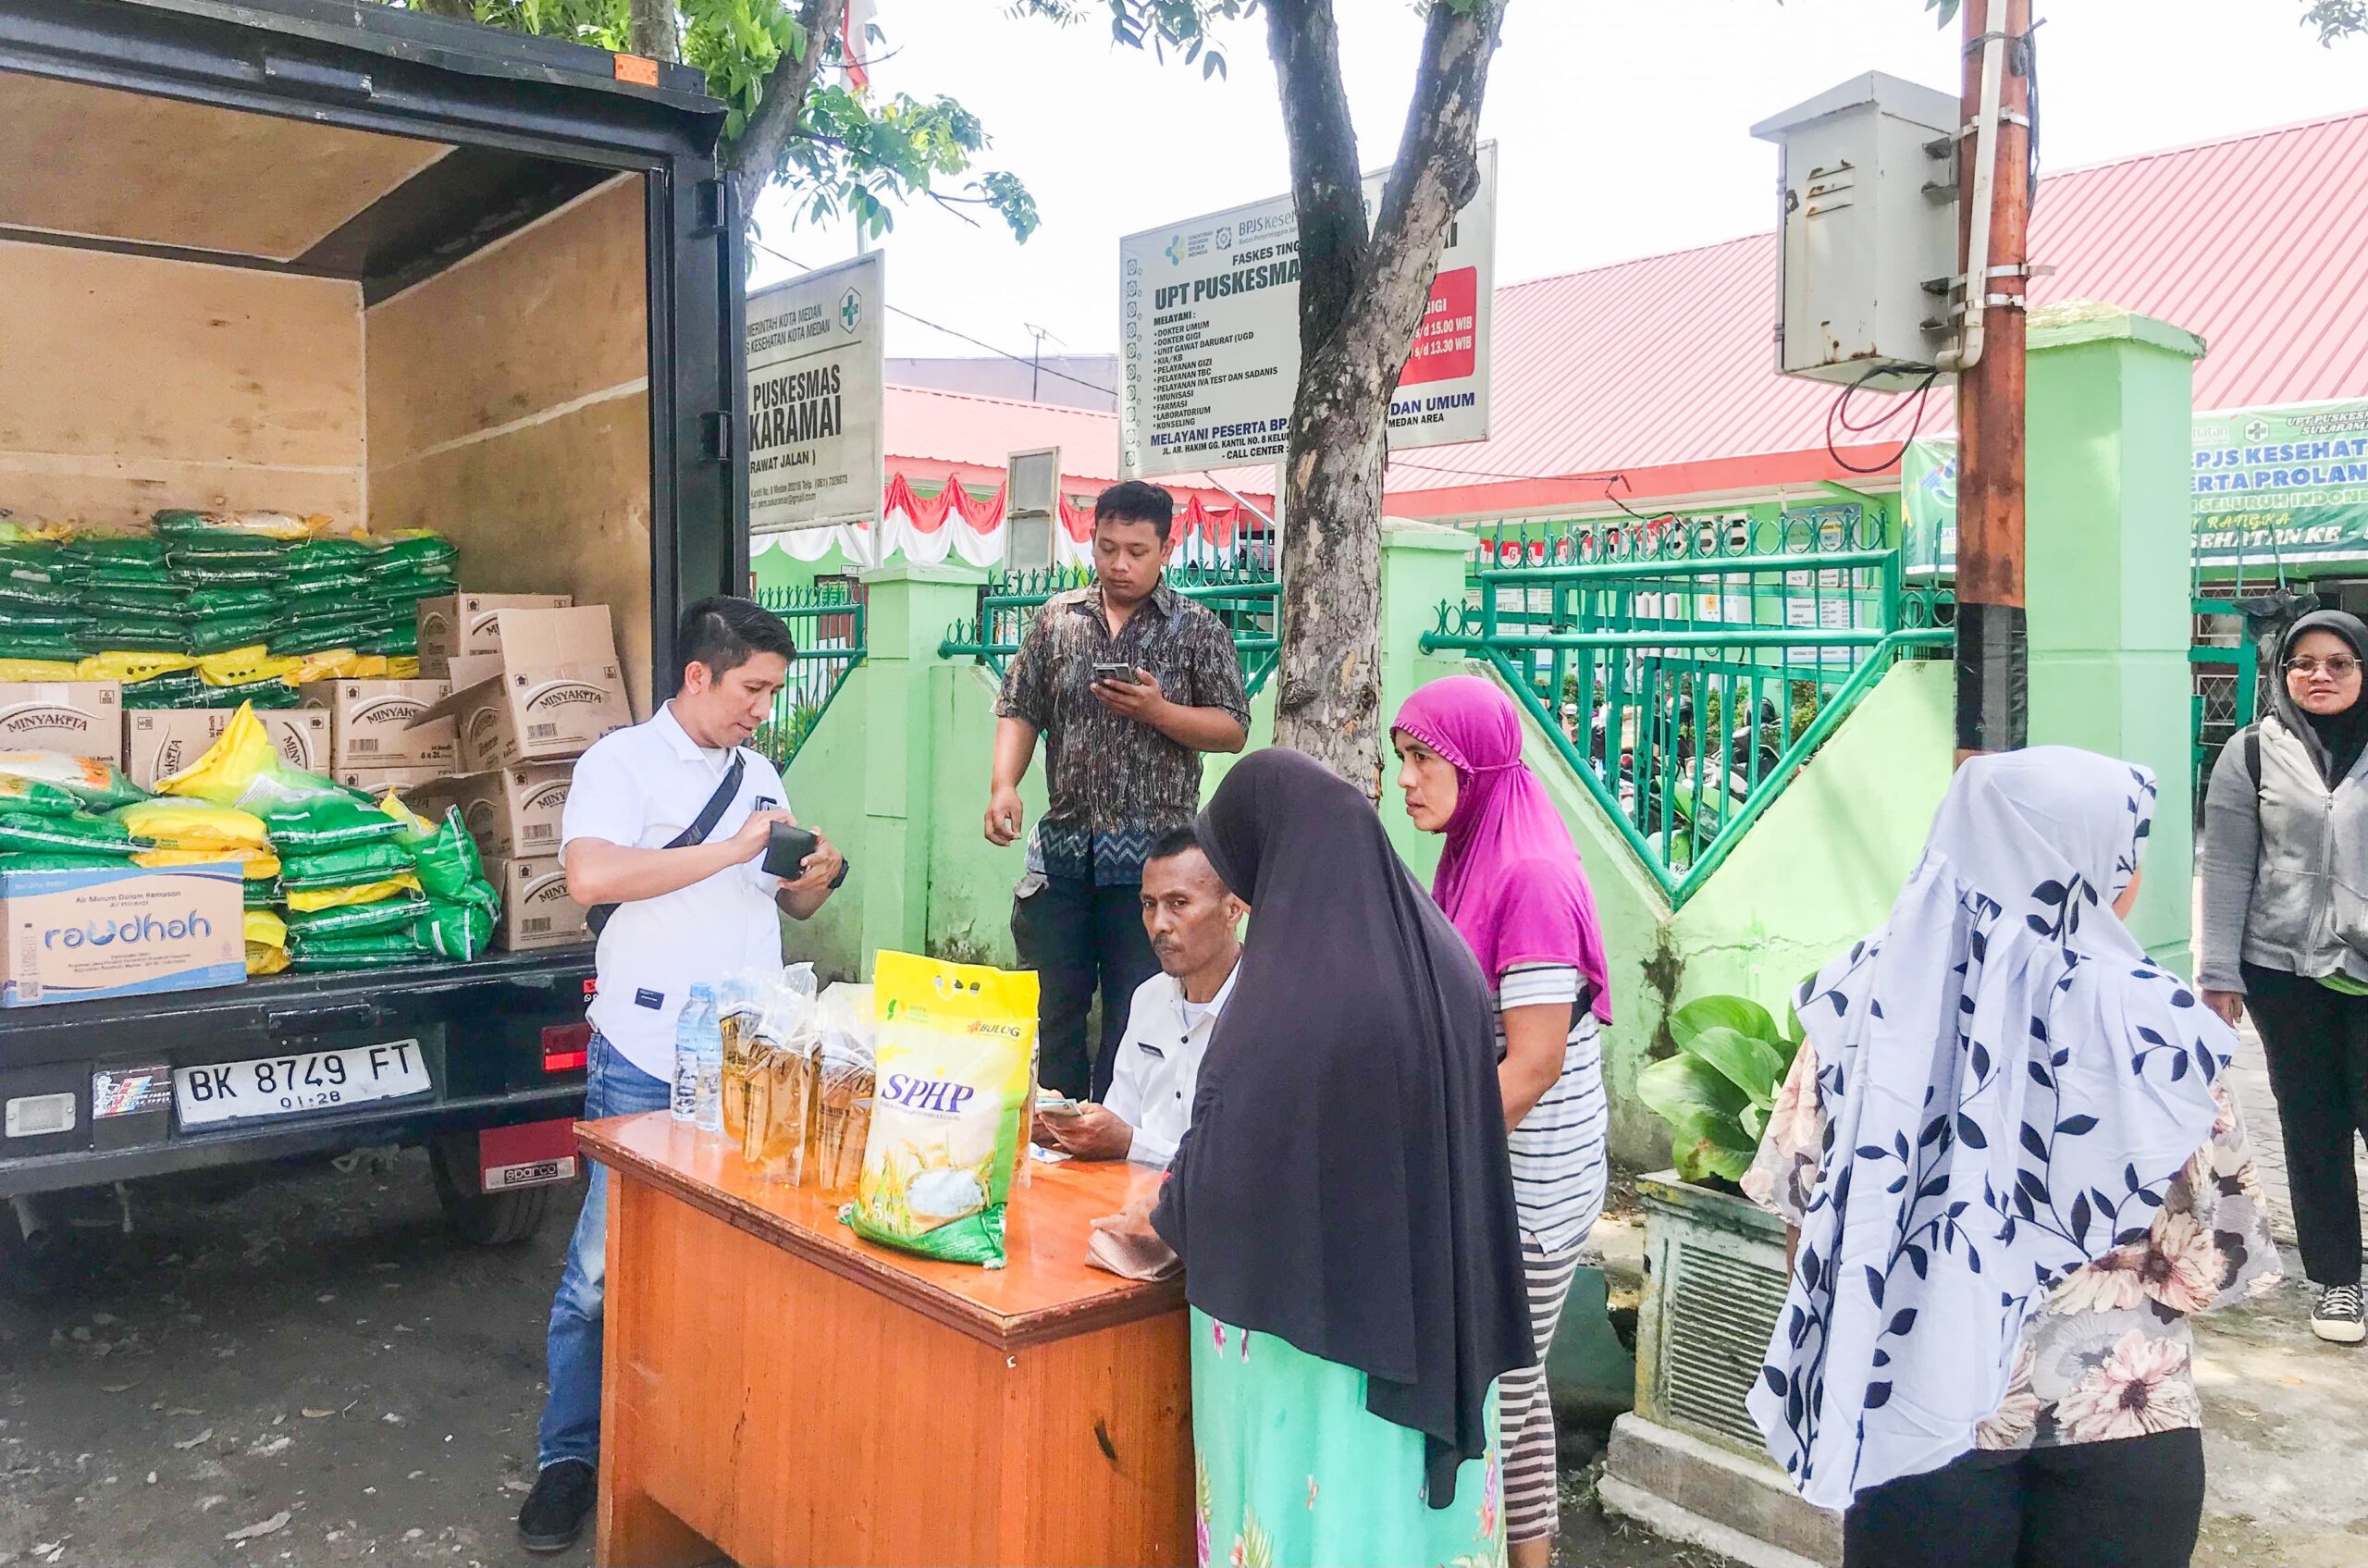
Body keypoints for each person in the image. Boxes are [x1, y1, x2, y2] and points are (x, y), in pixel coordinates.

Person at [1744, 748, 2279, 1568]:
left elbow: (1805, 1229)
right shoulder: (2164, 1031)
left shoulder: (1859, 1001)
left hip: (1914, 1419)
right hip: (2123, 1422)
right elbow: (2216, 1262)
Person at [1102, 747, 1533, 1567]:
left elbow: (1230, 1159)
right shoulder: (1444, 960)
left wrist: (1162, 1211)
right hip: (1428, 1303)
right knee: (1406, 1522)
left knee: (1319, 1513)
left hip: (1314, 1334)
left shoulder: (1290, 988)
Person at [513, 597, 846, 1554]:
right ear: (699, 675)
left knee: (732, 1271)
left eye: (775, 693)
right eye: (754, 689)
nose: (764, 709)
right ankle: (568, 1460)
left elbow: (787, 895)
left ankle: (699, 1458)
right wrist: (735, 846)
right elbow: (591, 878)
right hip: (647, 1057)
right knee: (600, 1274)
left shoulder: (759, 772)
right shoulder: (620, 762)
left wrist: (813, 872)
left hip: (748, 1060)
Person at [1391, 674, 1614, 1568]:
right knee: (1519, 1398)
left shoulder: (1527, 875)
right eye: (1402, 758)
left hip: (1529, 1187)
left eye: (1423, 760)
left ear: (1475, 764)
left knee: (1497, 1399)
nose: (1405, 778)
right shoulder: (1475, 847)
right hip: (1504, 1171)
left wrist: (1432, 1155)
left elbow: (1533, 1061)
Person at [985, 480, 1250, 1100]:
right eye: (1107, 548)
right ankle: (1050, 1135)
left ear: (1167, 547)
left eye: (1136, 550)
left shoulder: (1197, 628)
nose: (1120, 564)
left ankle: (1119, 1137)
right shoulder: (1057, 620)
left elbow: (1232, 727)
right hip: (1063, 856)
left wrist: (1160, 711)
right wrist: (1003, 784)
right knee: (1052, 1011)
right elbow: (1020, 706)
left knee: (1139, 1011)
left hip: (1152, 871)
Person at [2199, 608, 2368, 1345]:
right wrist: (2217, 971)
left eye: (2339, 662)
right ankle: (2337, 1280)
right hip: (2284, 974)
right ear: (2282, 673)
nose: (2320, 675)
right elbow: (2231, 864)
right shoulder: (2253, 753)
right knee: (2312, 1125)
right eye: (2305, 663)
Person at [1030, 823, 1244, 1167]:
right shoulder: (1148, 998)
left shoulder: (1267, 1012)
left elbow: (1244, 1172)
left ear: (1232, 910)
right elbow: (1118, 1123)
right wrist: (1067, 1127)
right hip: (1132, 1204)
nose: (1159, 923)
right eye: (1149, 904)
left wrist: (1131, 1143)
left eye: (1178, 903)